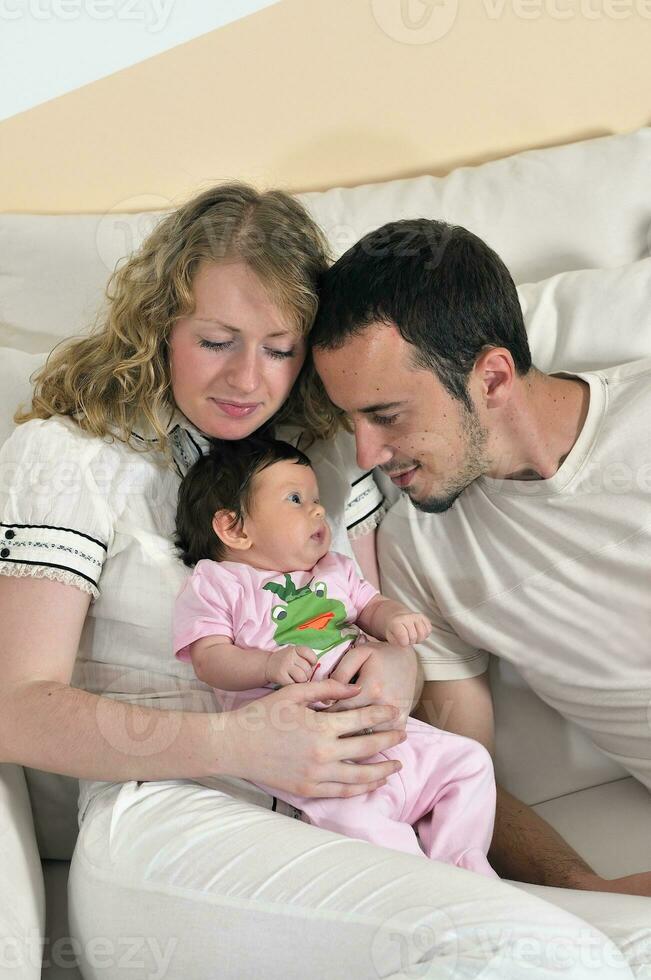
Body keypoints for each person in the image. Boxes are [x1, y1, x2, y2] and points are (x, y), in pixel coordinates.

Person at [2, 184, 627, 980]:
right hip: (175, 814)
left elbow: (371, 631)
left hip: (356, 803)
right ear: (160, 324)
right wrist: (237, 743)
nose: (246, 380)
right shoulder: (70, 457)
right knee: (531, 949)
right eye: (217, 340)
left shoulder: (331, 453)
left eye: (278, 347)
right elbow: (14, 708)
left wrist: (393, 670)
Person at [310, 217, 651, 899]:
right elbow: (456, 767)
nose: (368, 456)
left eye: (386, 414)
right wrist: (583, 884)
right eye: (350, 422)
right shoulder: (418, 556)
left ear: (492, 378)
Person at [172, 436, 498, 875]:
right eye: (295, 499)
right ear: (234, 528)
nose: (318, 510)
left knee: (470, 762)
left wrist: (394, 619)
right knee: (359, 824)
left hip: (388, 731)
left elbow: (369, 606)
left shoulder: (335, 568)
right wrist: (267, 665)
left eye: (317, 499)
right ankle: (427, 883)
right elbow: (209, 658)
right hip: (314, 755)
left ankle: (464, 864)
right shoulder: (217, 584)